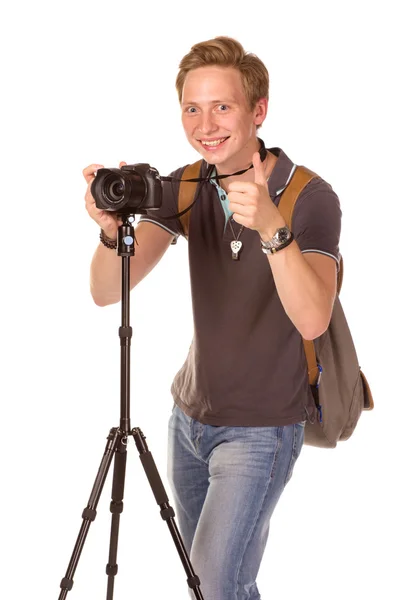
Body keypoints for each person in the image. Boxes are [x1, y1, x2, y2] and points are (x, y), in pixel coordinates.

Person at [84, 36, 341, 600]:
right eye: (191, 108)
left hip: (261, 429)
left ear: (258, 111)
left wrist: (272, 227)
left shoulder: (307, 197)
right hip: (189, 421)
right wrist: (111, 232)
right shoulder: (189, 183)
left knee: (217, 583)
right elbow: (107, 289)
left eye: (222, 106)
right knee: (211, 586)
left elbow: (314, 318)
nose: (206, 125)